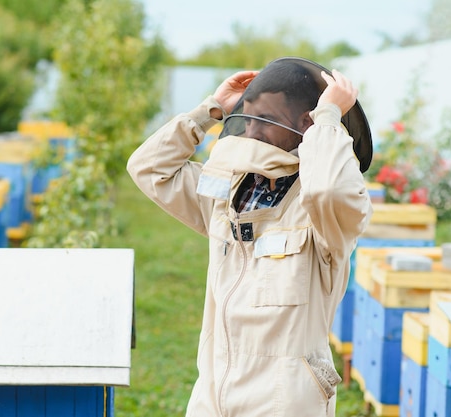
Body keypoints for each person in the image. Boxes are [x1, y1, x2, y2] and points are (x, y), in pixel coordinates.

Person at [127, 57, 374, 417]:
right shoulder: (228, 190)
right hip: (213, 392)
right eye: (249, 116)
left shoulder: (322, 214)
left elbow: (327, 191)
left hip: (283, 401)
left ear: (304, 124)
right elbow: (150, 169)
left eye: (267, 120)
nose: (252, 130)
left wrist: (329, 118)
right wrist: (210, 110)